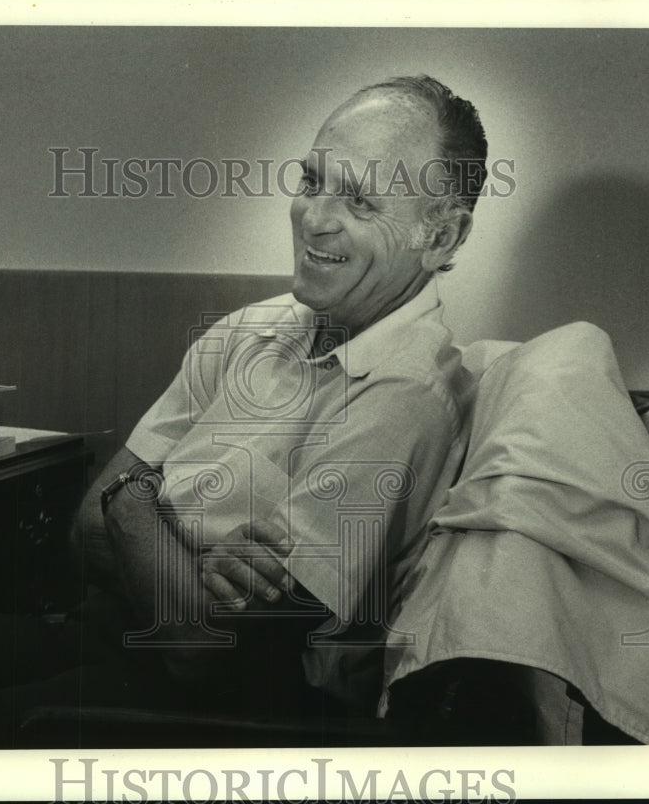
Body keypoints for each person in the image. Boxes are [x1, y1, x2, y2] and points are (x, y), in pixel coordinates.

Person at [70, 75, 486, 716]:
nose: (314, 219)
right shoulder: (253, 327)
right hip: (92, 636)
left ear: (440, 238)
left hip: (192, 713)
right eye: (311, 181)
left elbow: (200, 649)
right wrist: (178, 563)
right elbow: (82, 532)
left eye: (360, 202)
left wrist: (134, 504)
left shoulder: (404, 396)